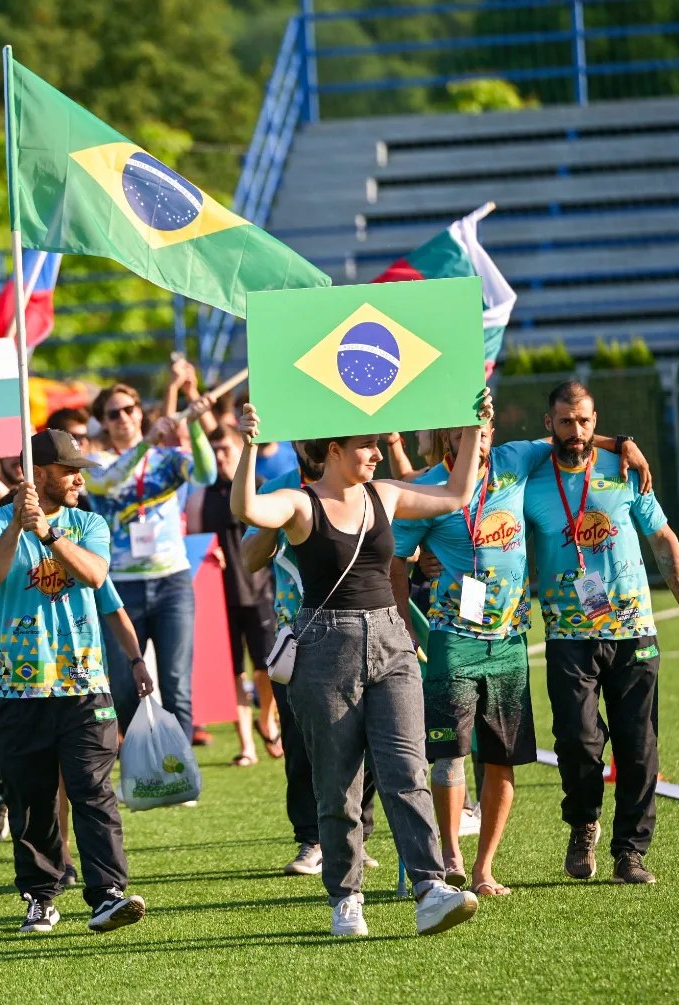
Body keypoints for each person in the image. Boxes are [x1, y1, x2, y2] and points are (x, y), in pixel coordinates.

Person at [233, 395, 492, 939]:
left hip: (393, 642)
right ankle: (346, 898)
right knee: (338, 784)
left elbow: (456, 494)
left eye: (376, 444)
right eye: (365, 446)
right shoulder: (301, 504)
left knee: (406, 769)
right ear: (333, 450)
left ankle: (430, 889)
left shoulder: (386, 494)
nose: (376, 454)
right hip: (325, 650)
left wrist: (473, 427)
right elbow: (249, 512)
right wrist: (251, 447)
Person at [390, 418, 650, 896]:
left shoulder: (515, 459)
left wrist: (624, 443)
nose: (479, 438)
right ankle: (450, 859)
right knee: (448, 754)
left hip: (510, 640)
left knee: (501, 758)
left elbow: (573, 438)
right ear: (448, 436)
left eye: (485, 429)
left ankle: (485, 868)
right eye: (468, 431)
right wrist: (406, 625)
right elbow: (396, 560)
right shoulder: (428, 489)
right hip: (453, 636)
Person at [524, 380, 679, 886]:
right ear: (549, 424)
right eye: (565, 421)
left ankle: (630, 852)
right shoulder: (532, 480)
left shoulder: (626, 473)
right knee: (578, 742)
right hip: (567, 636)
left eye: (585, 422)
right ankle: (584, 824)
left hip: (635, 631)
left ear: (594, 420)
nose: (576, 431)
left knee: (638, 747)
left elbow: (663, 540)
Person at [0, 430, 153, 935]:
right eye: (69, 469)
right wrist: (16, 527)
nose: (79, 477)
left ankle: (107, 894)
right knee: (32, 802)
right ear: (37, 474)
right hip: (17, 691)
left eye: (81, 469)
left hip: (84, 685)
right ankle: (41, 896)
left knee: (93, 791)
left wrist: (48, 532)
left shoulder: (89, 522)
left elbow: (95, 575)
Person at [240, 444, 377, 877]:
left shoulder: (363, 483)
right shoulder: (277, 489)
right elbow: (249, 559)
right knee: (301, 743)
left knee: (367, 741)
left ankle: (358, 835)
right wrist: (276, 520)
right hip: (297, 635)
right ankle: (311, 840)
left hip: (362, 629)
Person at [85, 382, 216, 746]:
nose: (124, 418)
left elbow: (207, 475)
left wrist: (192, 421)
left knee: (176, 682)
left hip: (172, 580)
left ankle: (183, 768)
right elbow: (108, 485)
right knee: (125, 686)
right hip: (121, 585)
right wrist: (145, 444)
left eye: (130, 409)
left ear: (141, 412)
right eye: (114, 413)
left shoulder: (168, 459)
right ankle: (146, 760)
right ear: (103, 422)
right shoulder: (97, 463)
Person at [187, 425, 280, 766]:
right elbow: (194, 546)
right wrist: (206, 553)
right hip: (220, 596)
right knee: (233, 674)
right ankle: (246, 745)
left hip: (259, 592)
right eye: (215, 450)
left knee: (268, 667)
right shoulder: (201, 496)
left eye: (226, 448)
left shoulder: (260, 488)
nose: (221, 455)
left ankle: (267, 717)